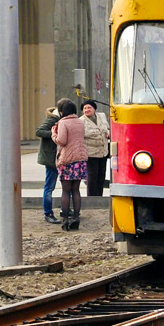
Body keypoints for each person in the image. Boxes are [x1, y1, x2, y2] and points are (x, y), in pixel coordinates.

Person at [51, 98, 88, 230]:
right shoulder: (80, 122)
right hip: (80, 159)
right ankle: (76, 217)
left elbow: (62, 141)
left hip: (67, 161)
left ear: (63, 112)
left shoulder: (62, 123)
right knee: (76, 190)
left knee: (66, 191)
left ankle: (66, 220)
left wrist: (53, 134)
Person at [34, 104, 62, 224]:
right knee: (50, 186)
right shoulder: (53, 119)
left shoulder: (59, 119)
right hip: (51, 158)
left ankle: (65, 209)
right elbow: (39, 131)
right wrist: (54, 134)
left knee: (67, 186)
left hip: (58, 157)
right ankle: (48, 213)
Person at [81, 100, 110, 197]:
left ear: (94, 109)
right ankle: (91, 199)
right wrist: (100, 133)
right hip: (91, 154)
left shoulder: (101, 116)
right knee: (92, 177)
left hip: (103, 152)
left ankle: (99, 197)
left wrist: (108, 133)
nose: (87, 110)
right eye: (85, 108)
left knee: (101, 176)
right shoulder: (81, 121)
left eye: (89, 108)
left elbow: (107, 128)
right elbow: (84, 134)